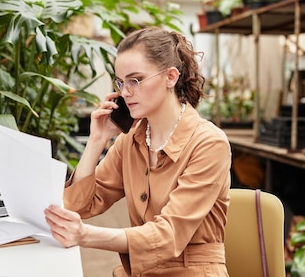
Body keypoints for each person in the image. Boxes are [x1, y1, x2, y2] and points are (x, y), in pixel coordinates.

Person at [44, 26, 232, 277]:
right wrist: (97, 140)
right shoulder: (131, 141)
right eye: (121, 82)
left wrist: (86, 235)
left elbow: (169, 235)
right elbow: (78, 205)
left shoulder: (209, 143)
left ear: (170, 77)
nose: (125, 92)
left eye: (136, 80)